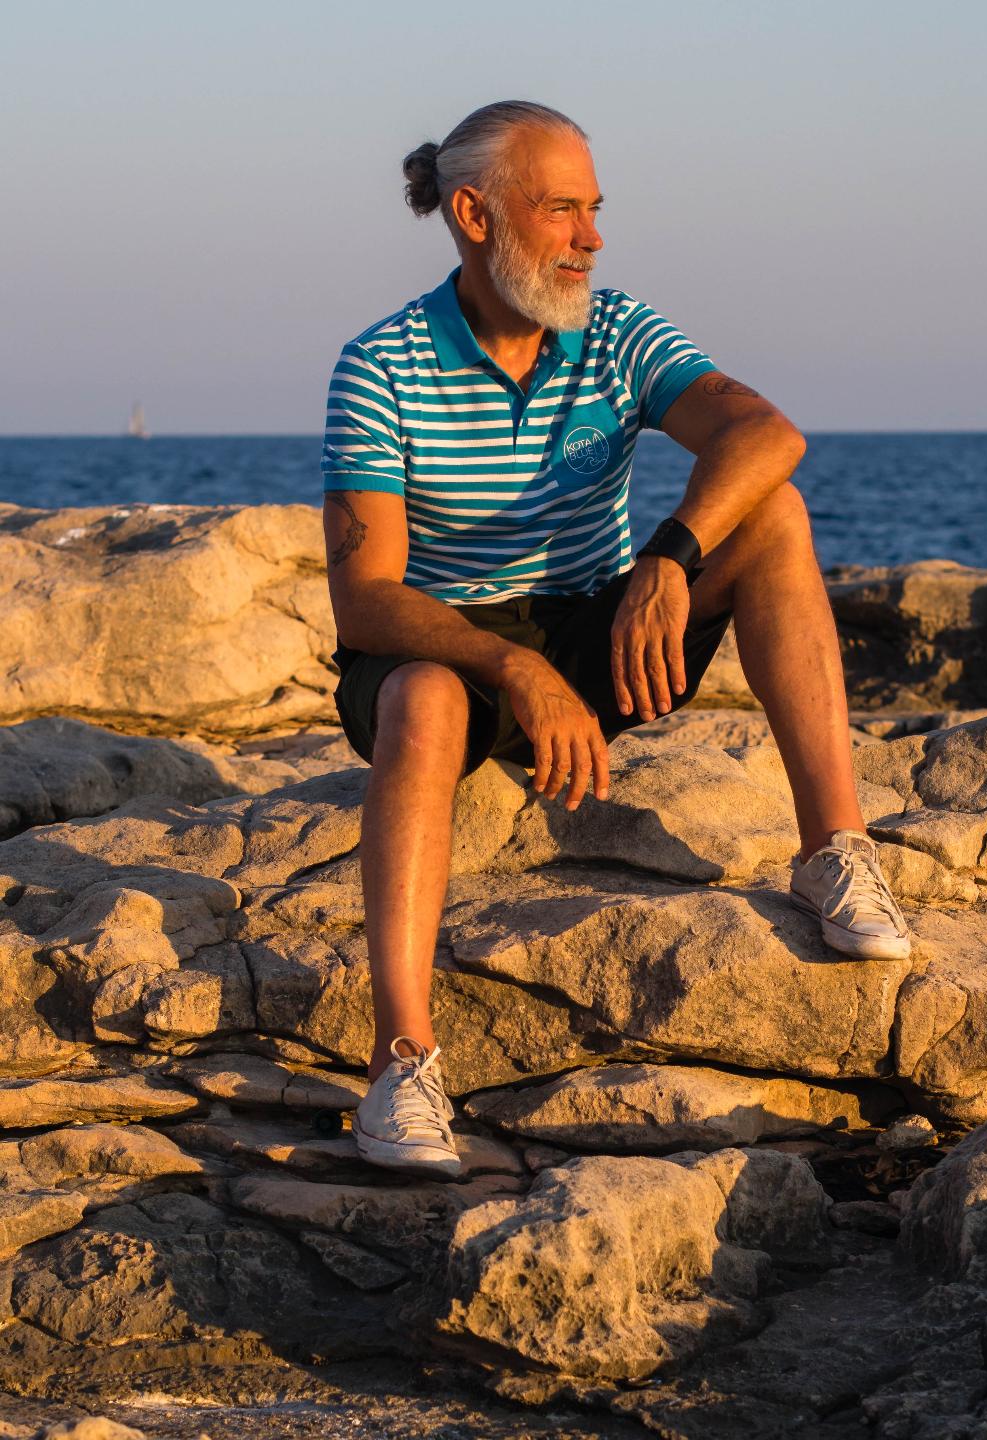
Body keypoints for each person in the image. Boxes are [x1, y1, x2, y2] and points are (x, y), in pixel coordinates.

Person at [321, 100, 909, 1179]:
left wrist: (669, 558)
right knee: (425, 701)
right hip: (443, 646)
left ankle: (834, 853)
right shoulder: (384, 365)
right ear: (474, 213)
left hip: (601, 621)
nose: (592, 238)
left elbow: (766, 432)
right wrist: (514, 666)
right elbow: (363, 599)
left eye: (595, 210)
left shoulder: (620, 329)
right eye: (562, 211)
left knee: (773, 512)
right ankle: (400, 1065)